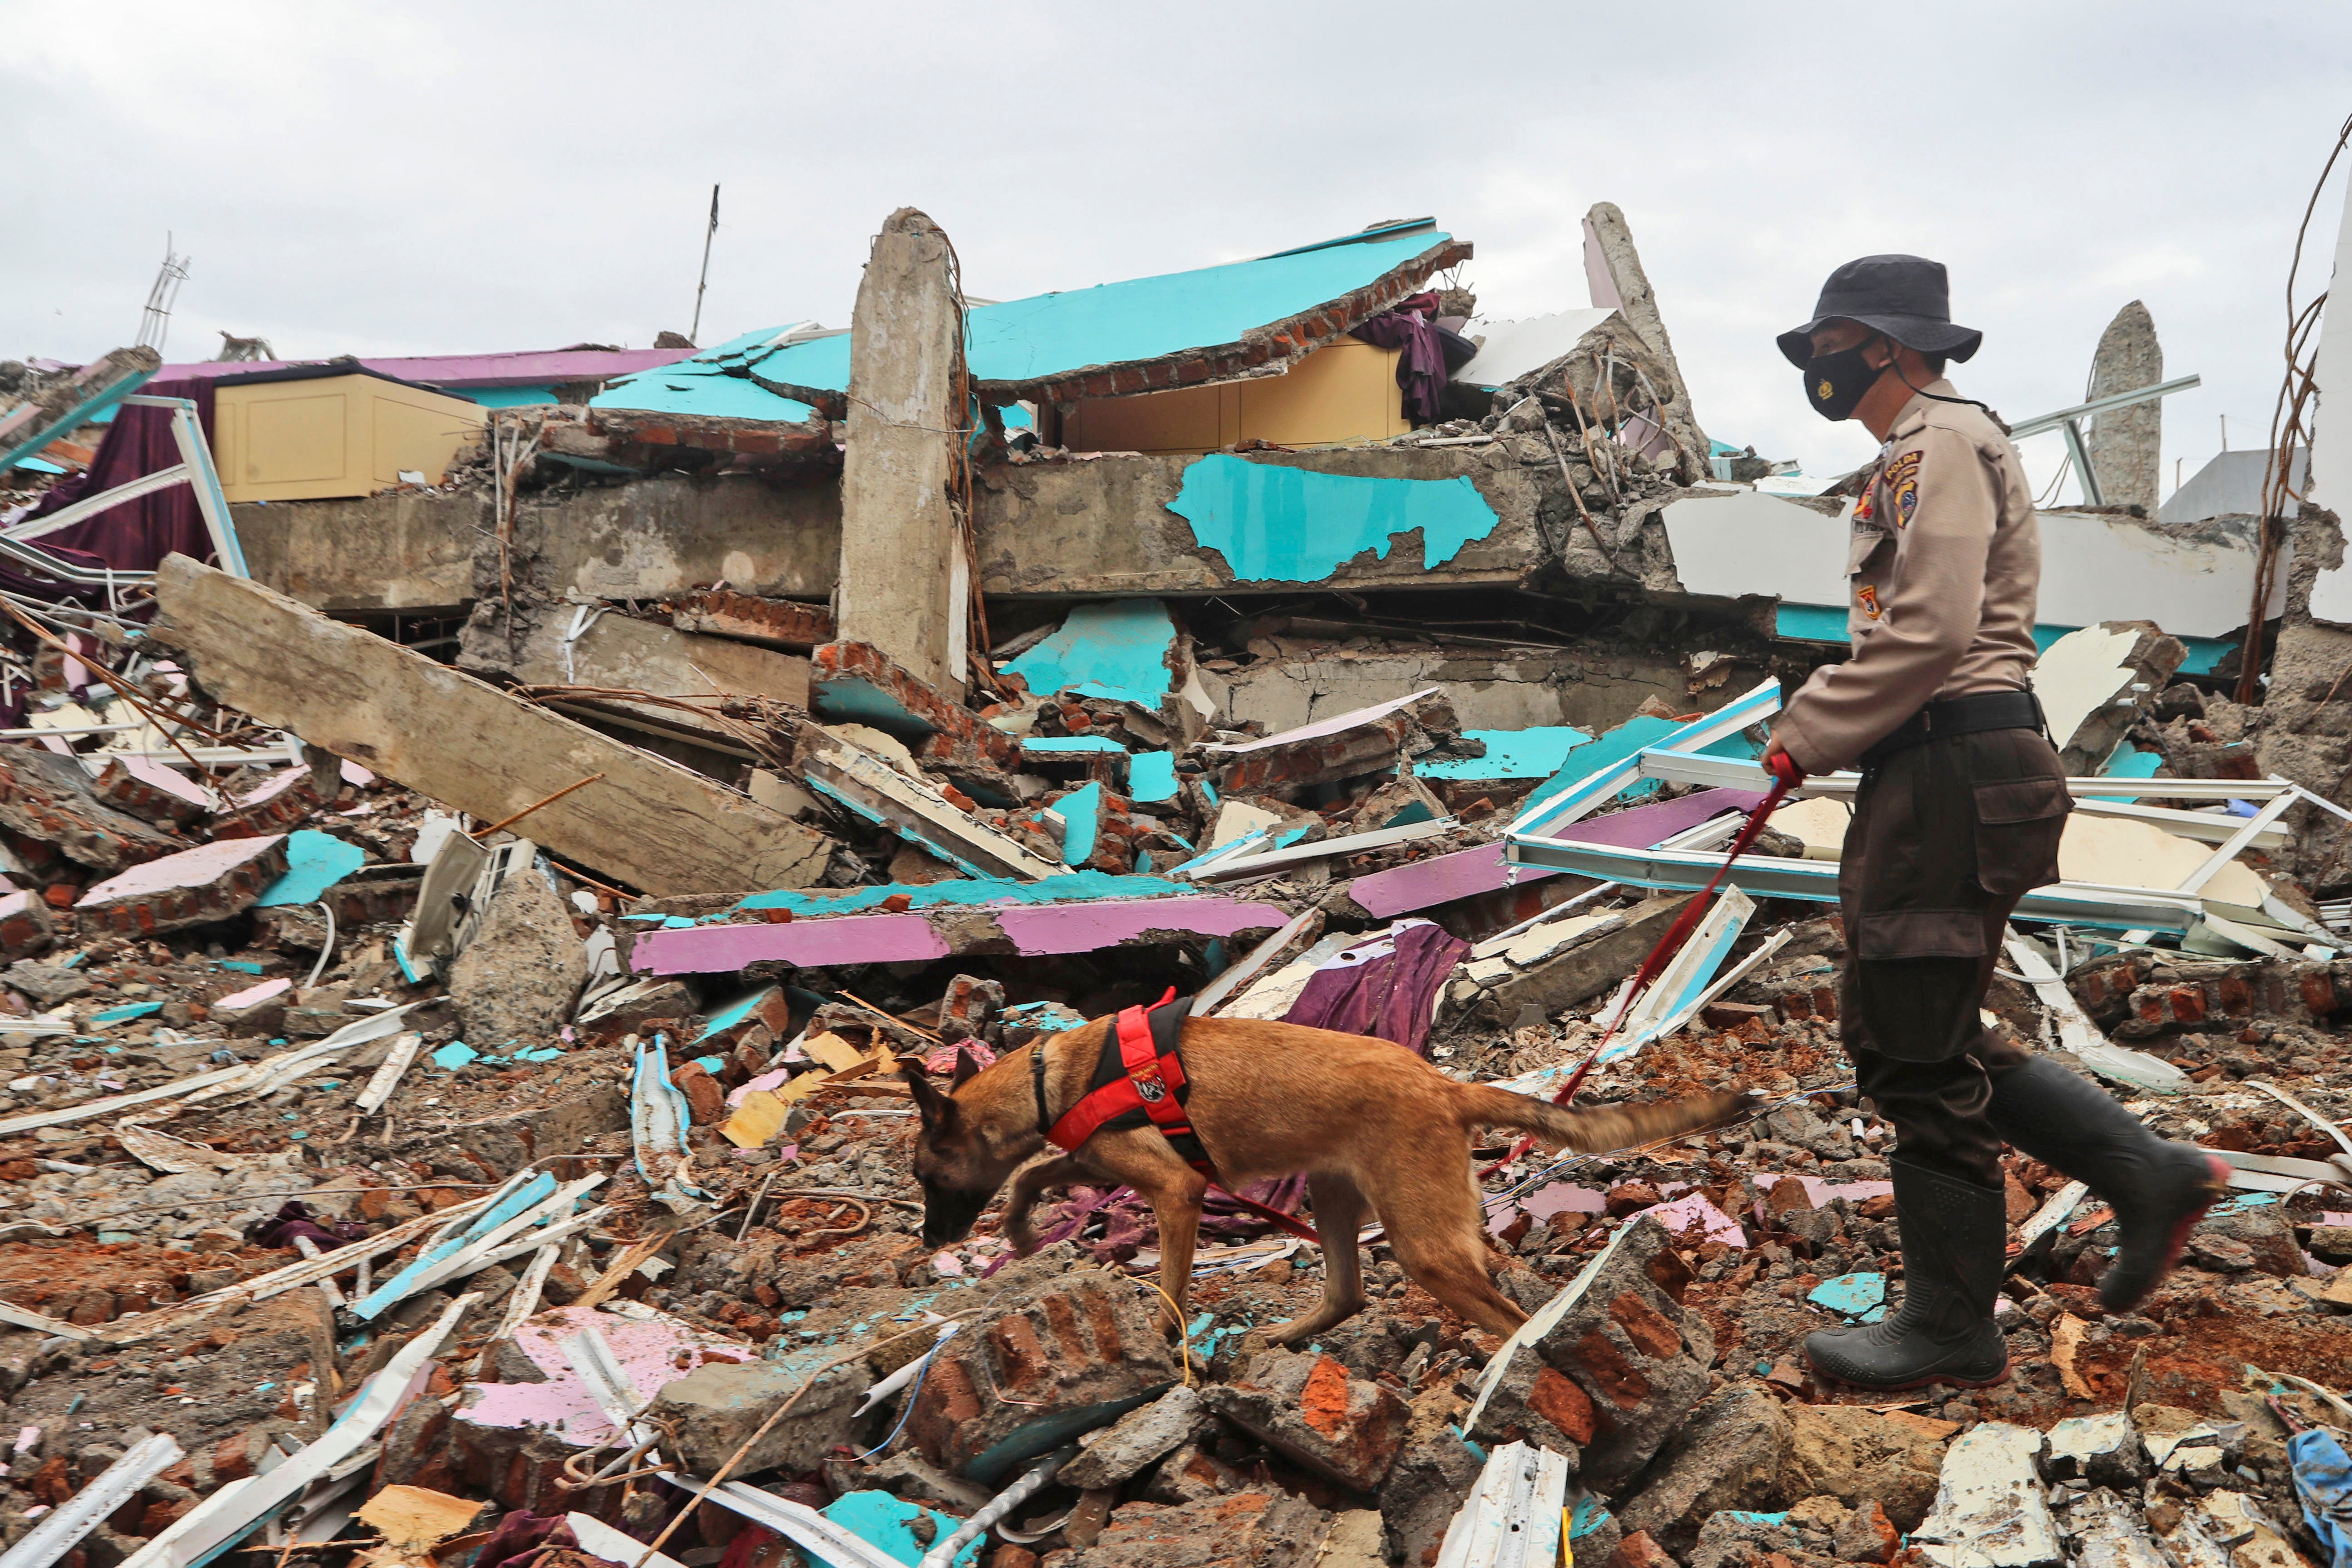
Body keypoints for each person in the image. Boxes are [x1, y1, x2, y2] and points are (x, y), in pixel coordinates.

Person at [1762, 254, 2227, 1391]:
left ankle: (1954, 1332)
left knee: (1915, 1044)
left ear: (1883, 344)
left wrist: (1804, 731)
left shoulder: (1943, 444)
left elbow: (1926, 632)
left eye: (1832, 343)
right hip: (1934, 765)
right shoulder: (1909, 453)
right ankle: (2145, 1170)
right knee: (1909, 1025)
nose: (1816, 364)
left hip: (1956, 765)